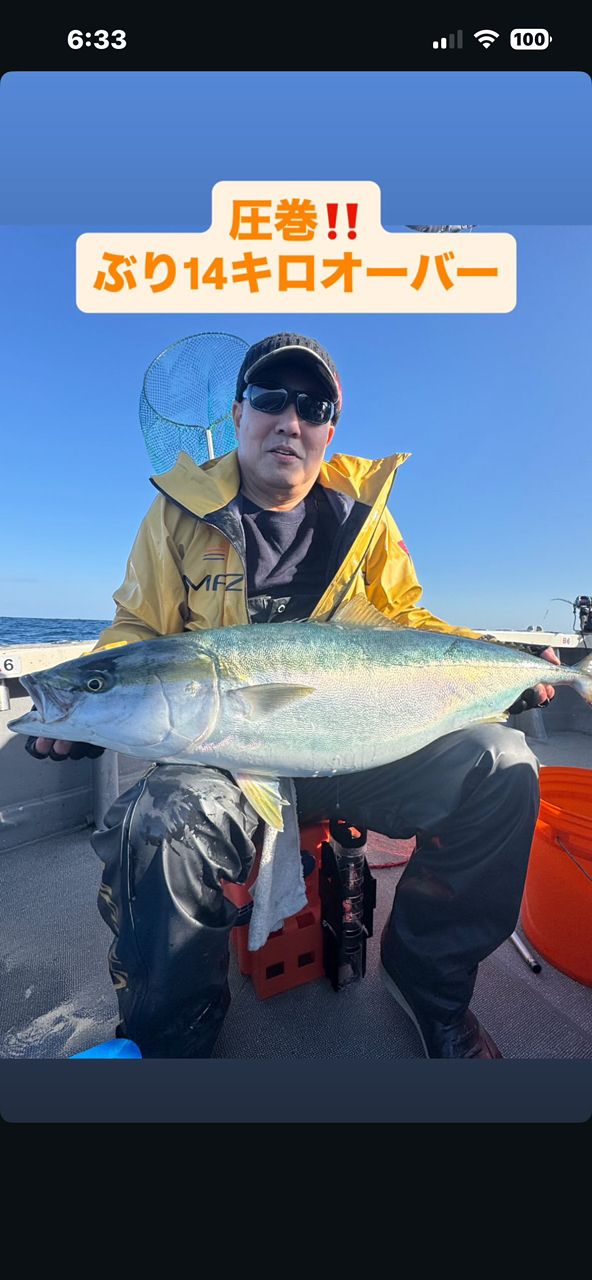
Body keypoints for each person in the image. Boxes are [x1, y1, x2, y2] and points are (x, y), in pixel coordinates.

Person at [27, 331, 559, 1059]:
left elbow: (408, 625)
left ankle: (428, 985)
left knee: (503, 764)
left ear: (329, 429)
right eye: (271, 398)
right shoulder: (177, 516)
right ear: (240, 412)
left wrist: (500, 666)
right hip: (223, 751)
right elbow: (137, 632)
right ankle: (172, 1040)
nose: (291, 420)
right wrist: (89, 699)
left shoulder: (362, 516)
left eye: (313, 406)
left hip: (363, 740)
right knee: (155, 822)